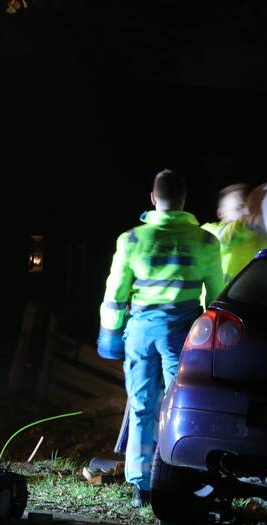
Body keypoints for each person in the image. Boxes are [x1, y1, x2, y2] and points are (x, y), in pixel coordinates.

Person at [97, 169, 224, 507]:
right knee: (174, 408)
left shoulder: (132, 240)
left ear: (153, 198)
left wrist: (109, 333)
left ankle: (141, 486)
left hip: (139, 331)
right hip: (180, 334)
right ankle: (172, 476)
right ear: (183, 200)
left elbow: (115, 292)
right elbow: (215, 297)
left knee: (140, 405)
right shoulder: (205, 242)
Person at [201, 183, 267, 283]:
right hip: (214, 298)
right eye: (240, 207)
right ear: (222, 213)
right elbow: (226, 236)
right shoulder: (210, 230)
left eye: (250, 206)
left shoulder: (258, 237)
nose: (247, 212)